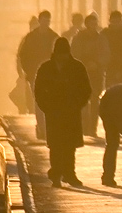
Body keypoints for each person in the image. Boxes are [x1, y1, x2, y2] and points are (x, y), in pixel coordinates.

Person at [33, 37, 91, 187]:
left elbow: (86, 89)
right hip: (53, 112)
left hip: (71, 112)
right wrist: (45, 106)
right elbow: (38, 90)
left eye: (64, 54)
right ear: (55, 53)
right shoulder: (46, 68)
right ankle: (57, 174)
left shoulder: (77, 67)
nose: (62, 58)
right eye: (60, 54)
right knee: (55, 145)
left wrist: (78, 105)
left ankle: (70, 174)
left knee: (69, 145)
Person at [71, 13, 110, 136]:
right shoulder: (78, 38)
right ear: (86, 24)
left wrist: (97, 63)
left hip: (97, 73)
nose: (93, 26)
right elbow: (74, 54)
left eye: (95, 23)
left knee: (95, 101)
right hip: (81, 74)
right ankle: (84, 127)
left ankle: (92, 128)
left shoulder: (101, 38)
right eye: (91, 23)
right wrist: (84, 64)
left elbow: (106, 54)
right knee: (83, 101)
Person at [16, 10, 60, 112]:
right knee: (37, 97)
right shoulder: (31, 37)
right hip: (33, 72)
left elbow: (59, 55)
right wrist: (27, 70)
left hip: (50, 73)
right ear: (40, 21)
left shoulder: (54, 37)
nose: (46, 23)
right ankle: (40, 121)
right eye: (44, 20)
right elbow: (23, 55)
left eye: (48, 21)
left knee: (49, 96)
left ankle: (46, 118)